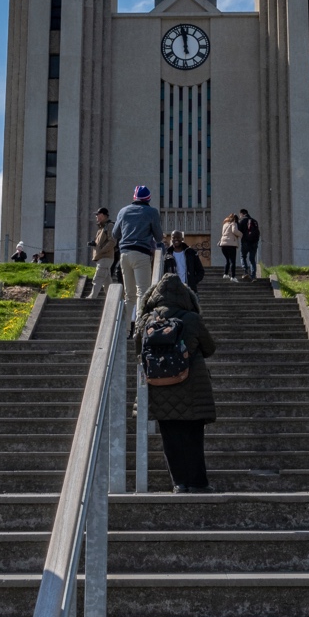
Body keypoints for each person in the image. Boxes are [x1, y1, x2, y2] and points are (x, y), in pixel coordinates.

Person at [137, 273, 217, 492]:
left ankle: (179, 483)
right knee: (193, 437)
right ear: (185, 297)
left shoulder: (147, 320)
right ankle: (198, 483)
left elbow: (138, 350)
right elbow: (210, 348)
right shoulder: (192, 319)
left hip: (160, 386)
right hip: (192, 387)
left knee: (171, 439)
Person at [112, 185, 164, 316]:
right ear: (148, 199)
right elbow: (158, 237)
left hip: (124, 254)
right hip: (141, 254)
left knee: (129, 295)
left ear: (134, 197)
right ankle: (139, 328)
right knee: (142, 291)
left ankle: (126, 329)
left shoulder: (123, 211)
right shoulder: (152, 212)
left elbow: (115, 234)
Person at [87, 208, 117, 299]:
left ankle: (92, 297)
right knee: (107, 281)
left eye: (98, 214)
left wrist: (101, 250)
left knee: (98, 278)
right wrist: (94, 244)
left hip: (105, 257)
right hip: (102, 257)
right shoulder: (101, 228)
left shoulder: (109, 226)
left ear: (103, 215)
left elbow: (112, 242)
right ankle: (113, 299)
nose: (96, 216)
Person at [237, 209, 261, 279]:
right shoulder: (254, 221)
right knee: (252, 259)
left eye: (240, 215)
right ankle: (253, 276)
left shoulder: (242, 221)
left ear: (242, 214)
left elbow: (238, 231)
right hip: (254, 242)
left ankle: (245, 272)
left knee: (243, 256)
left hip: (245, 242)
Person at [217, 214, 241, 279]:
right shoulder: (234, 223)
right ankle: (233, 277)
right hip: (231, 245)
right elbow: (234, 231)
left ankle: (225, 274)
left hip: (223, 245)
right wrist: (241, 234)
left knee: (227, 260)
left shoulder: (225, 224)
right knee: (232, 261)